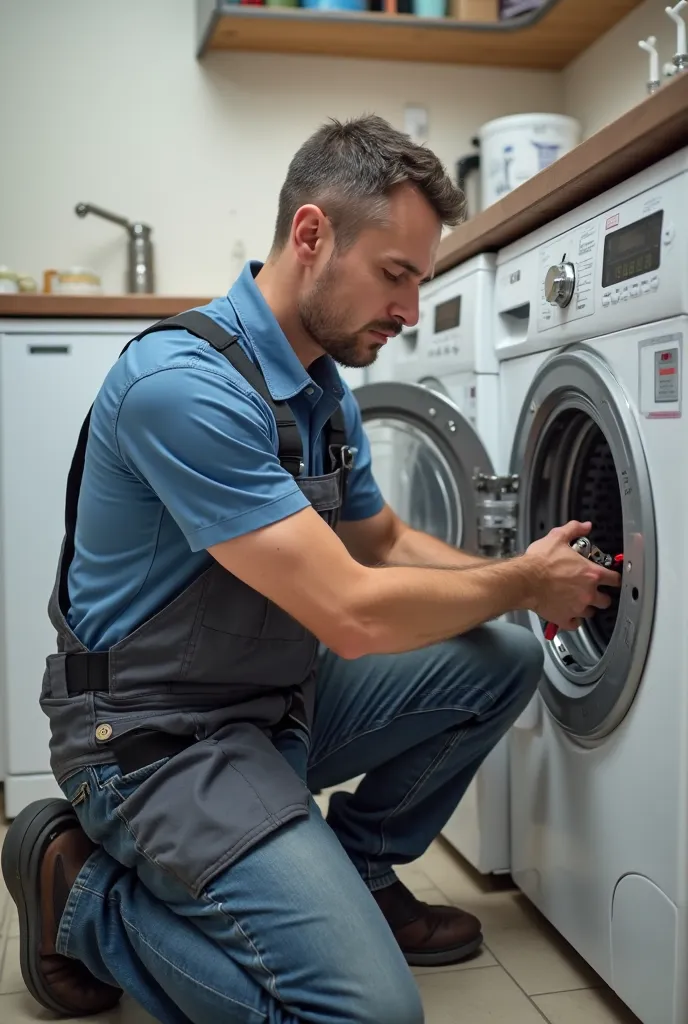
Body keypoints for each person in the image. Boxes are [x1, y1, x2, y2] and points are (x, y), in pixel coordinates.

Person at [1, 114, 620, 1024]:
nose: (409, 311)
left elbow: (383, 542)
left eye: (421, 280)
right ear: (311, 235)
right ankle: (78, 892)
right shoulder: (185, 385)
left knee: (505, 655)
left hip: (274, 701)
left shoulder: (320, 389)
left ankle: (363, 875)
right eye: (395, 274)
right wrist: (522, 583)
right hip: (154, 744)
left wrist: (512, 573)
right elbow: (354, 614)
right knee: (371, 1015)